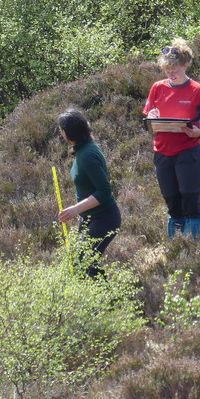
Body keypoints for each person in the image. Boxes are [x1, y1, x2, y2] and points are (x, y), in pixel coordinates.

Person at [144, 38, 200, 239]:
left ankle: (194, 247)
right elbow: (148, 116)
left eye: (175, 71)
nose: (171, 75)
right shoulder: (157, 87)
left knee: (190, 199)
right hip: (162, 151)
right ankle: (176, 246)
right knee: (171, 200)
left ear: (185, 65)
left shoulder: (199, 91)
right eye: (167, 71)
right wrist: (151, 118)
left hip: (188, 152)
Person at [57, 109, 121, 278]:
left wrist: (75, 210)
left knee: (85, 264)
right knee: (82, 264)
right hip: (90, 219)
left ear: (66, 132)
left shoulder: (88, 155)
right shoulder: (83, 149)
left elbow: (105, 191)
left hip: (104, 219)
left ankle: (109, 301)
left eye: (61, 129)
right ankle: (103, 299)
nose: (60, 133)